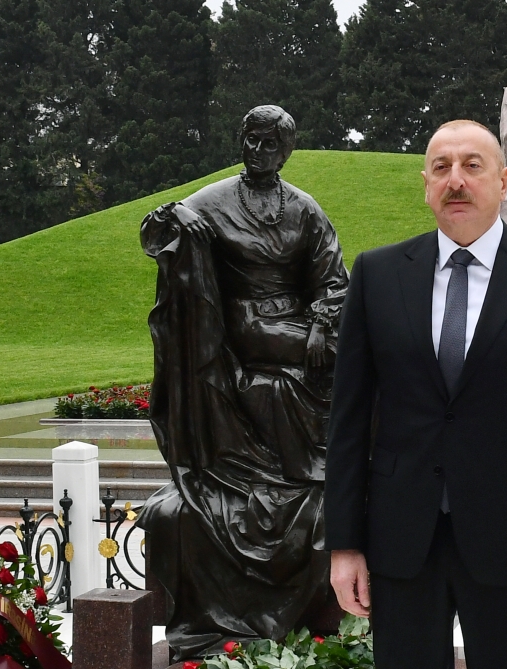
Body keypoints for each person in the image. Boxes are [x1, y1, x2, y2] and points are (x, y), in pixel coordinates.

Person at [324, 119, 507, 669]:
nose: (455, 180)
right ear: (426, 185)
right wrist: (344, 544)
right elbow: (348, 422)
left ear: (503, 181)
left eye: (472, 166)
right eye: (441, 167)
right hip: (400, 544)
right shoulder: (377, 275)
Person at [135, 105, 349, 661]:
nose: (257, 151)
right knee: (338, 361)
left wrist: (323, 322)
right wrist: (174, 219)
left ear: (286, 151)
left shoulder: (303, 209)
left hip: (296, 324)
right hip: (242, 327)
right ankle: (318, 463)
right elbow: (154, 233)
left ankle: (332, 461)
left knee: (355, 355)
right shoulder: (212, 200)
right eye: (250, 140)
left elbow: (333, 279)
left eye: (268, 143)